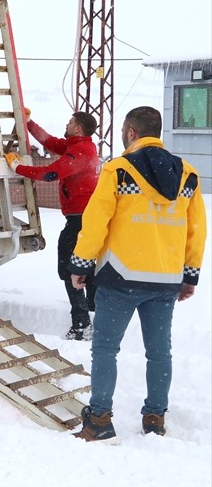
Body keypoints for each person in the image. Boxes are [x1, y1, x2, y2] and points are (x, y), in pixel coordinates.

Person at [68, 106, 206, 442]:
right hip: (165, 281)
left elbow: (96, 221)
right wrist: (189, 275)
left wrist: (81, 264)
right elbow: (196, 230)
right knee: (159, 352)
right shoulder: (188, 175)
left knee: (105, 350)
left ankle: (99, 419)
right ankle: (155, 418)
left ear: (131, 132)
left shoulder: (117, 171)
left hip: (120, 279)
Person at [5, 109, 101, 339]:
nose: (66, 124)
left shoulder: (81, 152)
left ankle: (81, 325)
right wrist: (29, 123)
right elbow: (51, 142)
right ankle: (93, 310)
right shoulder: (81, 146)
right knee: (85, 265)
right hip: (85, 218)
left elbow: (50, 174)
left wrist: (18, 168)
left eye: (70, 122)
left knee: (70, 268)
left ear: (77, 128)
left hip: (80, 220)